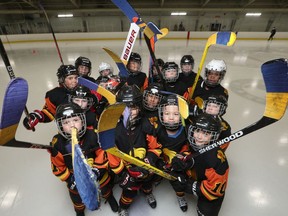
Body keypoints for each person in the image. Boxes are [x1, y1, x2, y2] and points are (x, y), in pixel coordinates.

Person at [108, 85, 159, 216]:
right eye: (124, 108)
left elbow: (155, 147)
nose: (129, 112)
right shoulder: (113, 129)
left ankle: (147, 193)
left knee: (148, 185)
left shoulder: (146, 124)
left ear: (139, 107)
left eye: (133, 108)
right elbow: (112, 156)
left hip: (145, 167)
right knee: (128, 193)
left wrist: (149, 161)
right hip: (128, 172)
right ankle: (123, 207)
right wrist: (123, 173)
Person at [173, 113, 229, 216]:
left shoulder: (216, 160)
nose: (199, 136)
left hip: (210, 192)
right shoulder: (191, 142)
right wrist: (181, 160)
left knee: (205, 213)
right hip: (197, 176)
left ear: (213, 136)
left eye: (206, 134)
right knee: (176, 175)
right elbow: (186, 153)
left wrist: (190, 186)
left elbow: (216, 191)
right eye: (197, 130)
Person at [48, 103, 99, 216]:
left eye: (75, 120)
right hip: (74, 179)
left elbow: (101, 155)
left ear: (82, 120)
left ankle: (108, 197)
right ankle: (79, 211)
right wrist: (70, 180)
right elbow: (58, 167)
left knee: (103, 190)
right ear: (60, 125)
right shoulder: (58, 144)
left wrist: (97, 169)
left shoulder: (92, 135)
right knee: (77, 199)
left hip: (94, 175)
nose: (72, 125)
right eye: (66, 122)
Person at [154, 94, 191, 212]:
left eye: (176, 114)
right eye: (167, 113)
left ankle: (180, 196)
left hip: (176, 165)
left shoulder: (187, 131)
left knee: (179, 183)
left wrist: (182, 160)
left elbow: (188, 150)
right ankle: (158, 177)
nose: (171, 118)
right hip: (161, 161)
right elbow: (152, 147)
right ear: (161, 114)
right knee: (151, 175)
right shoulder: (155, 129)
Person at [23, 64, 78, 130]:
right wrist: (36, 116)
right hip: (66, 130)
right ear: (62, 80)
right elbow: (49, 113)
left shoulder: (82, 90)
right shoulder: (54, 94)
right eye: (70, 78)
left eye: (76, 78)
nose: (74, 81)